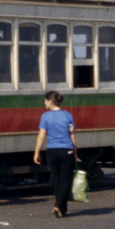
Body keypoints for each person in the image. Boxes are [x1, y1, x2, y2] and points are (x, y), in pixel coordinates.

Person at [32, 90, 78, 218]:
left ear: (50, 101)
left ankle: (61, 209)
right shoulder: (68, 115)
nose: (44, 102)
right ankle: (58, 205)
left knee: (57, 181)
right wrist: (75, 152)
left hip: (52, 152)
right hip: (66, 151)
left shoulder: (45, 116)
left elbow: (41, 136)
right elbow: (72, 135)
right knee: (66, 181)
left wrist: (37, 152)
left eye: (45, 100)